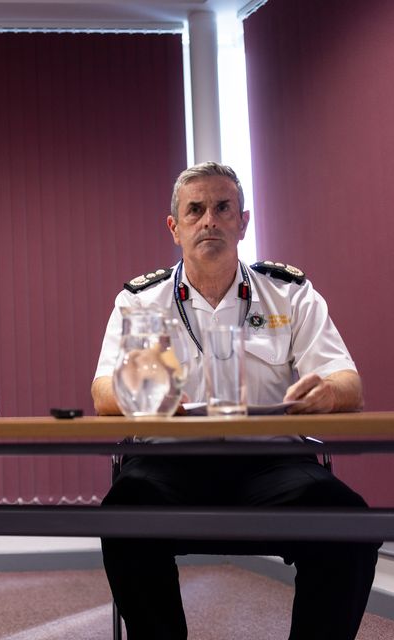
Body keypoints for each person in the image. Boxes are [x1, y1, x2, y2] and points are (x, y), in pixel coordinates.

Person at [91, 162, 378, 640]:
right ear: (174, 226)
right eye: (196, 210)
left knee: (347, 522)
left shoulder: (289, 294)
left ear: (243, 221)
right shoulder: (140, 300)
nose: (210, 220)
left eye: (223, 208)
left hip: (273, 463)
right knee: (125, 511)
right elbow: (102, 393)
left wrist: (325, 392)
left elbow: (349, 383)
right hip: (168, 461)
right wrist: (149, 397)